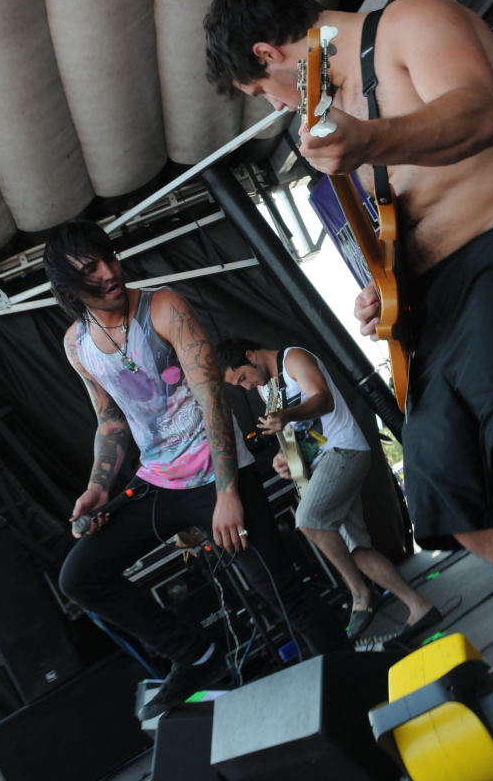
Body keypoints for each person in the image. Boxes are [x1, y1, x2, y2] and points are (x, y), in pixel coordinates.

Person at [204, 0, 493, 777]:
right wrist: (386, 285)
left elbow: (475, 115)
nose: (275, 107)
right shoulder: (339, 109)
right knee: (461, 509)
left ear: (269, 55)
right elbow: (405, 218)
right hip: (432, 312)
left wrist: (369, 139)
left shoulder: (412, 21)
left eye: (261, 92)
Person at [42, 219, 349, 720]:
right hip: (158, 480)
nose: (109, 272)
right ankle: (195, 655)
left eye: (109, 258)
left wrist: (228, 493)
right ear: (69, 287)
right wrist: (97, 487)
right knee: (80, 577)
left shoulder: (164, 308)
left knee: (281, 593)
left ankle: (355, 690)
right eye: (90, 269)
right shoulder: (77, 344)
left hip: (216, 475)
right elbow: (110, 420)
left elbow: (213, 400)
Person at [216, 338, 441, 641]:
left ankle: (360, 593)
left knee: (308, 520)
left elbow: (323, 400)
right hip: (321, 463)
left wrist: (286, 416)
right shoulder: (265, 389)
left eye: (243, 377)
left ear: (250, 355)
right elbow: (294, 435)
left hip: (343, 450)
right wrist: (284, 457)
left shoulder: (293, 358)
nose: (246, 386)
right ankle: (419, 607)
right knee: (357, 550)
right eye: (239, 385)